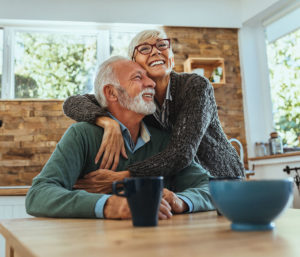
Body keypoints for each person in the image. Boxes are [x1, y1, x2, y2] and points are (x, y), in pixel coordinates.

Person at [25, 56, 215, 219]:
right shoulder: (81, 135)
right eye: (138, 78)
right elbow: (38, 195)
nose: (151, 83)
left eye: (148, 77)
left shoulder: (164, 141)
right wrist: (110, 205)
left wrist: (179, 200)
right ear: (111, 93)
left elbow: (211, 188)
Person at [63, 29, 244, 188]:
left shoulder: (195, 86)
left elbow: (181, 153)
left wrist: (125, 177)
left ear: (171, 58)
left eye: (162, 45)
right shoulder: (136, 99)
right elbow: (72, 103)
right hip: (183, 185)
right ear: (134, 63)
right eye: (144, 48)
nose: (156, 51)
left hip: (221, 179)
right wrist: (108, 122)